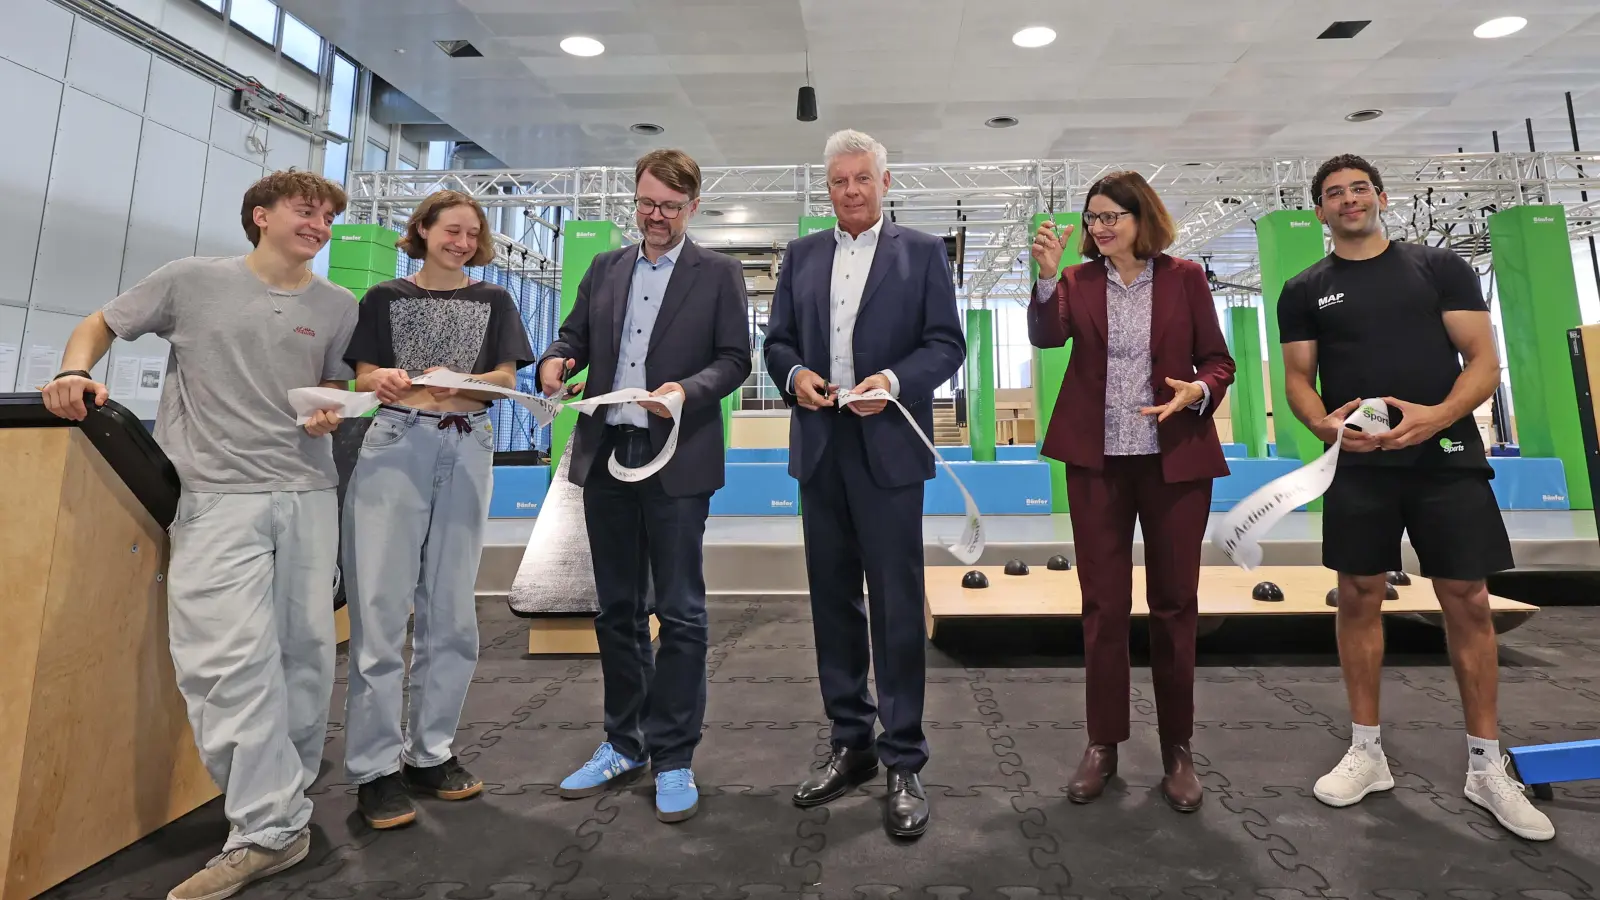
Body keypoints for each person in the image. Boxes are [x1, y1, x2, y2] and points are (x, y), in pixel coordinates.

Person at [40, 170, 357, 900]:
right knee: (223, 664)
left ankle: (283, 801)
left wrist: (332, 411)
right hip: (217, 497)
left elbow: (338, 390)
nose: (318, 225)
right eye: (305, 211)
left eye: (327, 217)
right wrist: (73, 371)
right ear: (261, 215)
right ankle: (269, 828)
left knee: (304, 658)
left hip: (309, 495)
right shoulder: (189, 280)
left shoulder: (338, 306)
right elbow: (99, 323)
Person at [1280, 154, 1554, 841]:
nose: (1349, 199)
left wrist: (1436, 418)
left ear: (1380, 196)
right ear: (1320, 210)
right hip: (1359, 465)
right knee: (1358, 595)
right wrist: (1325, 428)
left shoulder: (1439, 268)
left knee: (1467, 598)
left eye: (1359, 189)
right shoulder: (1304, 288)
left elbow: (1483, 361)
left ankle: (1486, 766)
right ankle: (1366, 752)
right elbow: (1299, 379)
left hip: (1445, 457)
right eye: (1335, 193)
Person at [538, 149, 751, 824]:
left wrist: (684, 392)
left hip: (677, 458)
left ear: (693, 207)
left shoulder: (719, 273)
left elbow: (735, 360)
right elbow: (574, 335)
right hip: (607, 454)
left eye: (670, 207)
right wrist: (556, 360)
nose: (656, 217)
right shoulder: (606, 267)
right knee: (617, 611)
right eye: (647, 203)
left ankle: (675, 754)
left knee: (681, 613)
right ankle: (623, 743)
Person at [764, 129, 966, 839]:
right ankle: (850, 743)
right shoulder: (801, 255)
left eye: (861, 178)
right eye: (838, 181)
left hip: (889, 447)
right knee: (832, 604)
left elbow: (947, 343)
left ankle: (903, 757)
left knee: (897, 606)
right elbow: (777, 342)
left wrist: (893, 381)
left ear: (885, 182)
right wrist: (796, 375)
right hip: (821, 445)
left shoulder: (923, 253)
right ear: (828, 188)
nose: (850, 190)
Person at [1027, 171, 1234, 813]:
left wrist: (1197, 391)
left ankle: (1178, 747)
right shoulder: (1077, 280)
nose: (1100, 227)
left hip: (1174, 462)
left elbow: (1218, 361)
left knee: (1175, 604)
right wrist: (1045, 277)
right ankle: (1103, 744)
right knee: (1103, 607)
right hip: (1098, 463)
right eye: (1092, 217)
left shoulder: (1185, 278)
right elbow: (1046, 336)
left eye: (1111, 215)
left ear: (1143, 218)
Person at [338, 190, 535, 829]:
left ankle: (431, 753)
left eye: (473, 234)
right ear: (421, 230)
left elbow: (505, 378)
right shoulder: (383, 298)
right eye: (452, 230)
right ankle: (374, 769)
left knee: (451, 612)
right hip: (396, 443)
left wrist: (464, 381)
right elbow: (364, 375)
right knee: (379, 609)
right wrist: (383, 380)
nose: (463, 242)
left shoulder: (495, 300)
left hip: (468, 444)